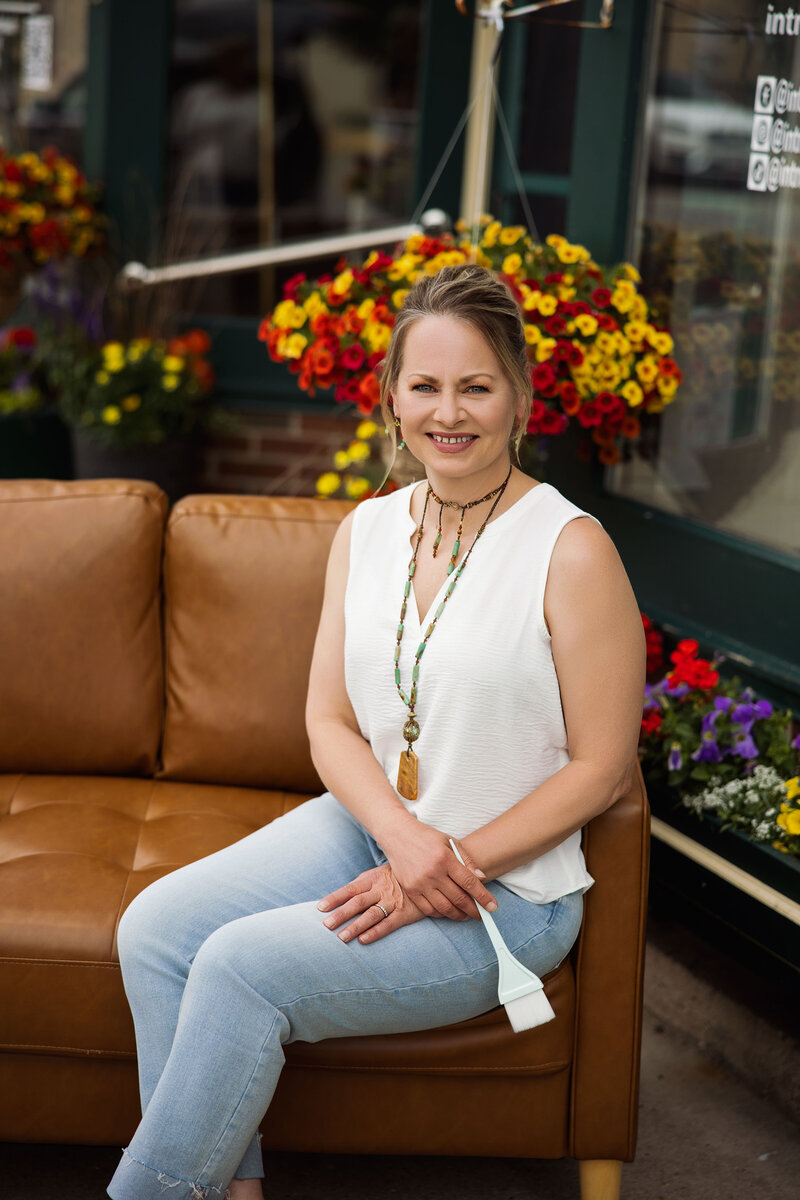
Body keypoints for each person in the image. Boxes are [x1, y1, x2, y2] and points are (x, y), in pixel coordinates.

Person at [107, 263, 645, 1200]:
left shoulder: (573, 549)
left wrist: (449, 858)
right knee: (156, 928)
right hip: (375, 831)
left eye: (476, 387)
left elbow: (603, 768)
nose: (450, 412)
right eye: (425, 385)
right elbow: (328, 720)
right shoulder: (368, 529)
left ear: (520, 396)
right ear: (392, 396)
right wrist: (401, 838)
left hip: (504, 893)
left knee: (238, 967)